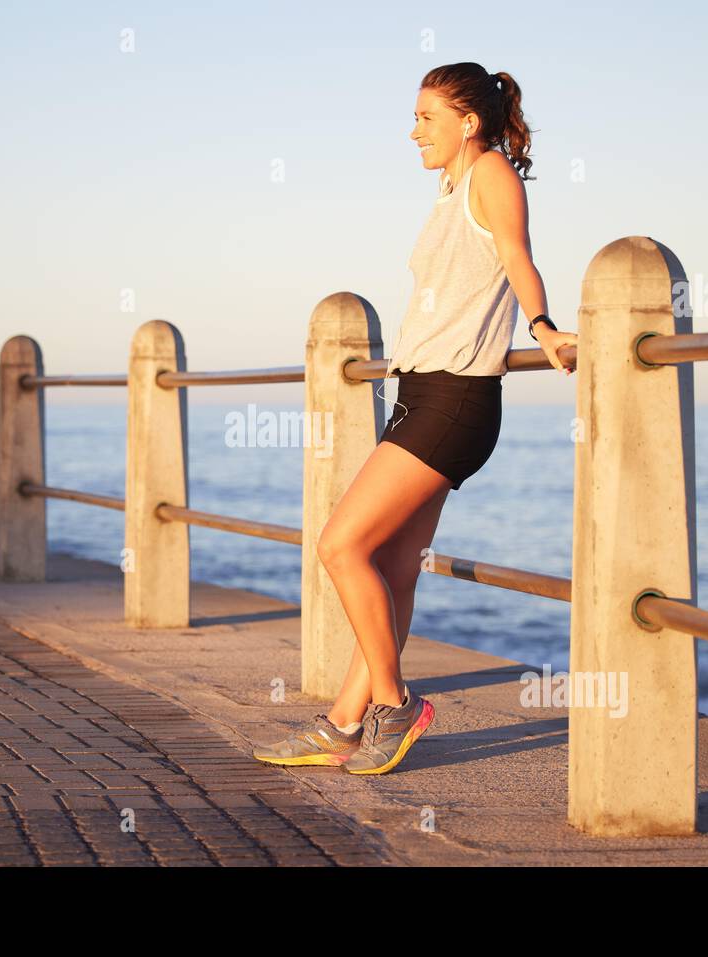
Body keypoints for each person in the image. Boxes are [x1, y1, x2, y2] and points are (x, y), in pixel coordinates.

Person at [254, 63, 576, 775]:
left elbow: (518, 257)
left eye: (426, 117)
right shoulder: (452, 187)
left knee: (341, 546)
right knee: (396, 567)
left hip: (455, 400)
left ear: (468, 121)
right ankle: (343, 722)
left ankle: (395, 703)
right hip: (422, 395)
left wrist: (546, 327)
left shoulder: (491, 173)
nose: (414, 130)